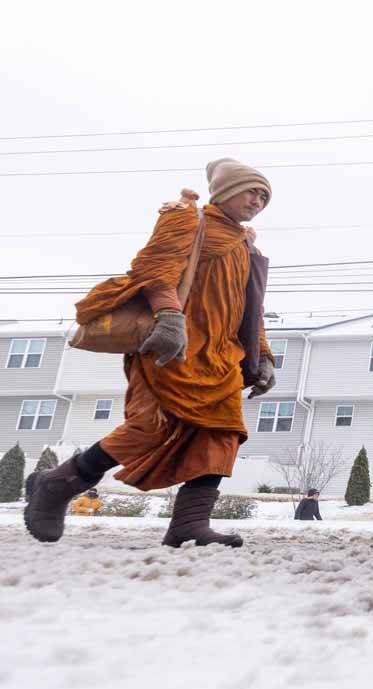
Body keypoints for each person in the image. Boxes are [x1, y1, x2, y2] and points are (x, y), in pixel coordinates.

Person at [24, 159, 277, 548]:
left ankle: (189, 525)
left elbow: (251, 307)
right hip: (172, 346)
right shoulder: (187, 220)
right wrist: (169, 316)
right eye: (252, 191)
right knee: (149, 427)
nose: (258, 200)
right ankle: (56, 485)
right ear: (225, 192)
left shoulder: (246, 244)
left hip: (222, 356)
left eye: (265, 196)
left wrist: (263, 355)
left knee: (222, 435)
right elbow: (153, 269)